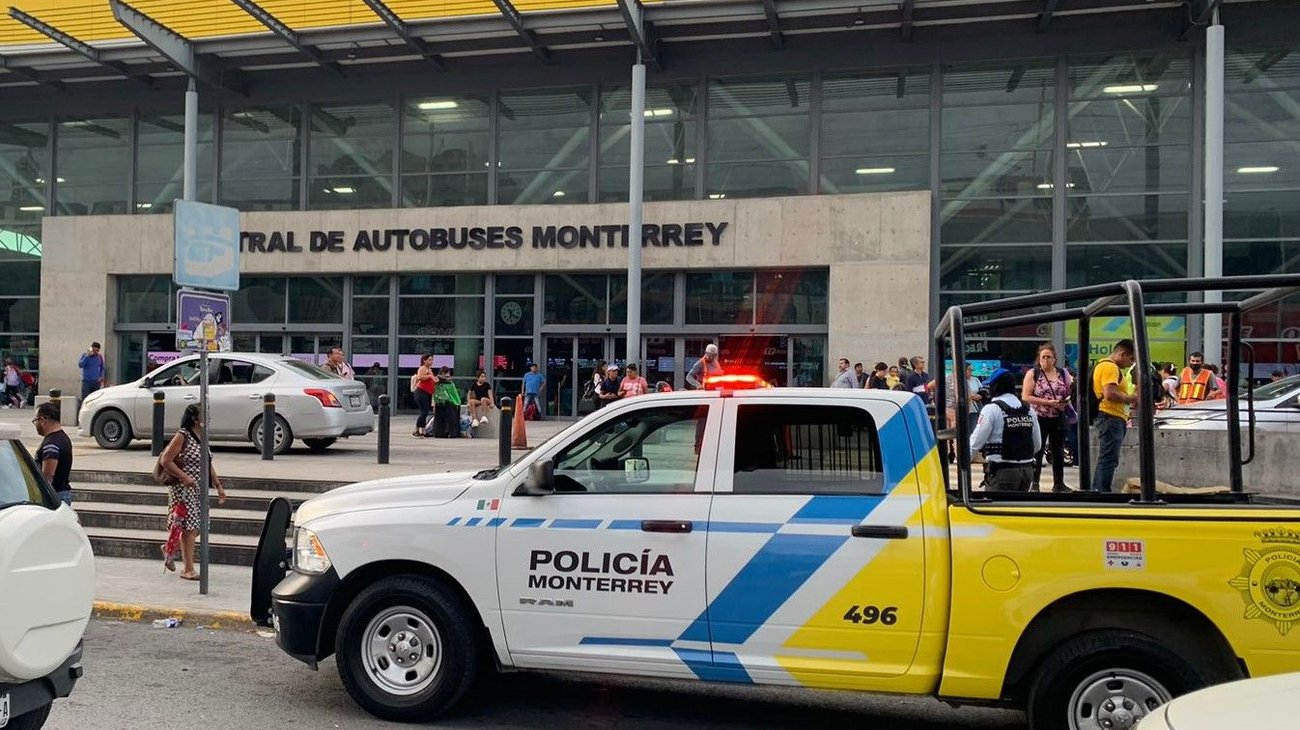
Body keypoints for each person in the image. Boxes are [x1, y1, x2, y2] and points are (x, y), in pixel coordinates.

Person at [156, 404, 227, 580]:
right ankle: (188, 569)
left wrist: (217, 484)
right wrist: (184, 477)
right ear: (196, 419)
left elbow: (207, 463)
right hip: (183, 490)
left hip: (198, 490)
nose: (208, 419)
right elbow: (166, 460)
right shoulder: (183, 435)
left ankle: (169, 548)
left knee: (198, 528)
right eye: (205, 416)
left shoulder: (202, 437)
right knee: (190, 528)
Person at [970, 368, 1041, 491]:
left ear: (995, 387)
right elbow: (1037, 445)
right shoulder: (1028, 410)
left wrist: (963, 462)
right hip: (1027, 472)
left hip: (1002, 472)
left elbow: (975, 443)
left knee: (996, 509)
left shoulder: (991, 409)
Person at [1021, 343, 1072, 493]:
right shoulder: (1033, 373)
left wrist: (1064, 403)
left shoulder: (1063, 373)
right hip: (1039, 417)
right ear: (1039, 358)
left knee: (1058, 451)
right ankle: (1034, 482)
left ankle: (1059, 483)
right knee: (1038, 448)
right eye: (1043, 357)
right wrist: (1048, 403)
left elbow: (1069, 392)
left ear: (1055, 359)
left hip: (1058, 417)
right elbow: (1026, 396)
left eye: (1049, 357)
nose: (1046, 360)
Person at [1091, 339, 1138, 493]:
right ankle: (1102, 491)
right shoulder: (1110, 367)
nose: (1130, 363)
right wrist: (1131, 398)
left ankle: (1098, 490)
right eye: (1131, 359)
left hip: (1111, 417)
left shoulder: (1105, 366)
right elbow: (1109, 393)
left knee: (1106, 457)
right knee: (1109, 458)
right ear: (1122, 354)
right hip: (1110, 416)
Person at [33, 403, 73, 505]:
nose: (35, 425)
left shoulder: (51, 444)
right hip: (62, 493)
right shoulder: (63, 438)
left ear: (43, 420)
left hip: (55, 495)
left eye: (35, 421)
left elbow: (48, 476)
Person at [433, 367, 462, 438]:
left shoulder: (449, 383)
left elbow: (454, 394)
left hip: (448, 403)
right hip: (444, 403)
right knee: (444, 419)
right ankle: (444, 433)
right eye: (446, 373)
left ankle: (449, 433)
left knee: (449, 418)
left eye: (448, 373)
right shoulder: (439, 383)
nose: (447, 375)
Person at [412, 354, 435, 437]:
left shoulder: (429, 369)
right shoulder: (422, 368)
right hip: (421, 392)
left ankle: (423, 430)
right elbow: (420, 377)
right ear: (424, 360)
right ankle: (417, 429)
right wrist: (429, 376)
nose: (431, 361)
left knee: (425, 412)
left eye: (432, 360)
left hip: (427, 393)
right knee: (424, 412)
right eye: (429, 360)